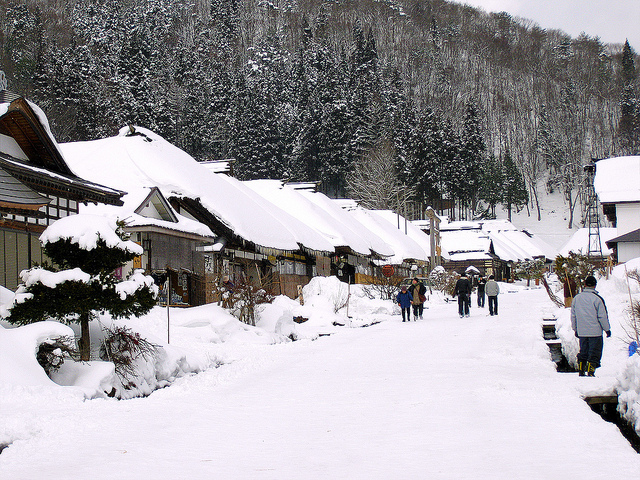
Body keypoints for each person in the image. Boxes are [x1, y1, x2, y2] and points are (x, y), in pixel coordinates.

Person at [571, 275, 611, 377]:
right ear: (595, 285)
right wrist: (607, 329)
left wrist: (575, 329)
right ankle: (590, 371)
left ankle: (581, 369)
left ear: (584, 285)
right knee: (594, 352)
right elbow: (602, 316)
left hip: (582, 331)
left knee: (583, 351)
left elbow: (573, 315)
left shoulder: (577, 298)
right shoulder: (597, 299)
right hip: (595, 332)